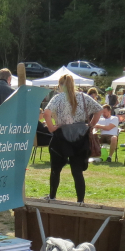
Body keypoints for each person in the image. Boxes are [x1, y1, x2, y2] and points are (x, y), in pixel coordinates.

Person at [43, 74, 102, 204]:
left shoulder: (57, 98)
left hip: (61, 136)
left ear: (60, 85)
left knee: (55, 170)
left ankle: (52, 197)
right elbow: (99, 109)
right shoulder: (83, 97)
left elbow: (46, 113)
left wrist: (52, 127)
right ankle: (80, 200)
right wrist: (91, 125)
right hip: (80, 136)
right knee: (77, 171)